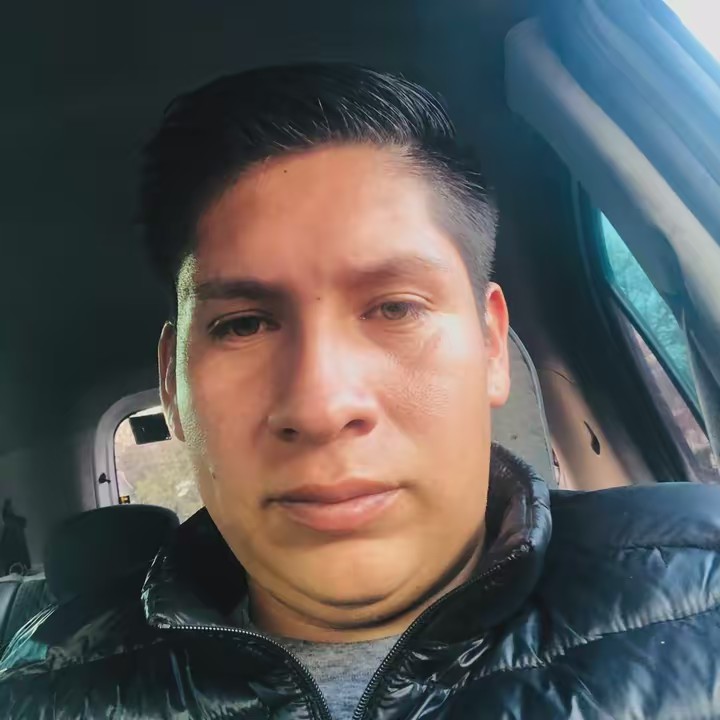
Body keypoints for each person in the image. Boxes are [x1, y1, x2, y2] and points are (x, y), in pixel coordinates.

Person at [2, 64, 720, 719]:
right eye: (244, 324)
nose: (321, 407)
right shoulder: (34, 695)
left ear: (492, 346)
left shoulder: (705, 593)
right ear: (172, 382)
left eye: (396, 308)